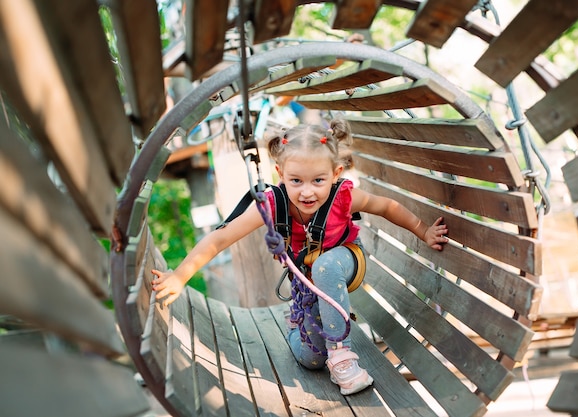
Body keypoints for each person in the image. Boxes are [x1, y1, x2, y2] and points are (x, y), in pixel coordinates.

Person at [151, 118, 448, 395]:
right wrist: (180, 276)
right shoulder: (272, 203)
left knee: (325, 264)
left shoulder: (342, 196)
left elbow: (386, 206)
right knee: (312, 359)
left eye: (318, 181)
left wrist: (423, 231)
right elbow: (221, 237)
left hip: (345, 261)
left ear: (335, 174)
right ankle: (300, 327)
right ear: (280, 174)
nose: (307, 192)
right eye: (296, 181)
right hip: (307, 283)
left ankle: (341, 355)